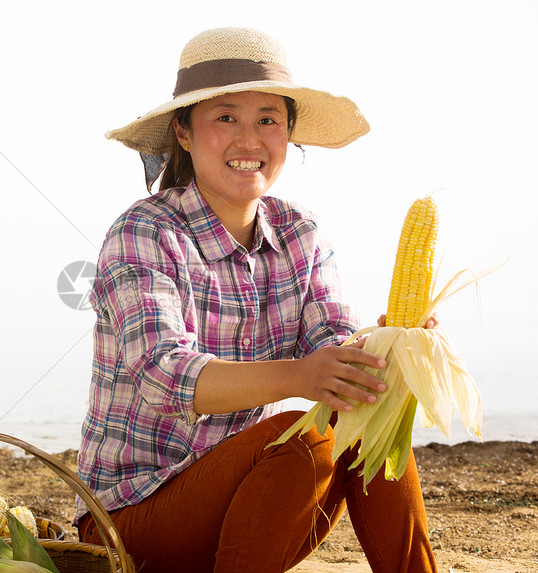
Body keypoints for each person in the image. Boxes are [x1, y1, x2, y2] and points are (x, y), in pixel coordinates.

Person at [74, 27, 438, 573]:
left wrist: (385, 349)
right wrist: (300, 376)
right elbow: (162, 374)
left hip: (253, 512)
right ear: (184, 131)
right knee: (302, 443)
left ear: (289, 132)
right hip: (131, 523)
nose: (250, 141)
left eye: (268, 119)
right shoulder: (145, 231)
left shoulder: (299, 232)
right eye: (226, 117)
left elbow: (332, 348)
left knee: (366, 414)